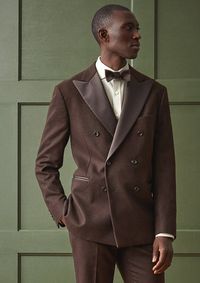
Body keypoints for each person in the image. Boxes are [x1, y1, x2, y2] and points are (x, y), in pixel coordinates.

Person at [35, 4, 176, 283]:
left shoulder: (154, 92)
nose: (137, 35)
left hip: (140, 222)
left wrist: (164, 231)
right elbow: (45, 163)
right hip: (89, 222)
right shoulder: (69, 91)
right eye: (129, 28)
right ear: (104, 35)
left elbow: (164, 168)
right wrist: (63, 212)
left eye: (138, 29)